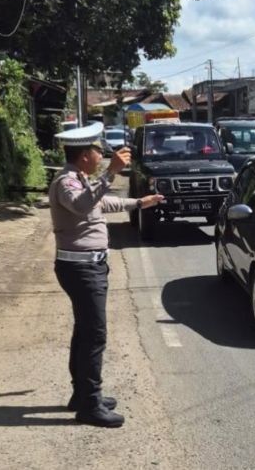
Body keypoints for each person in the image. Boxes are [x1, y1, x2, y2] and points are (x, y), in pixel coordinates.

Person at [49, 122, 163, 428]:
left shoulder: (80, 178)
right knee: (94, 334)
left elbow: (101, 203)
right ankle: (90, 404)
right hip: (81, 267)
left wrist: (138, 203)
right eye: (99, 150)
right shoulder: (66, 182)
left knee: (84, 330)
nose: (102, 154)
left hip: (89, 266)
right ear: (85, 154)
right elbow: (83, 205)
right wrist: (111, 172)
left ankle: (82, 394)